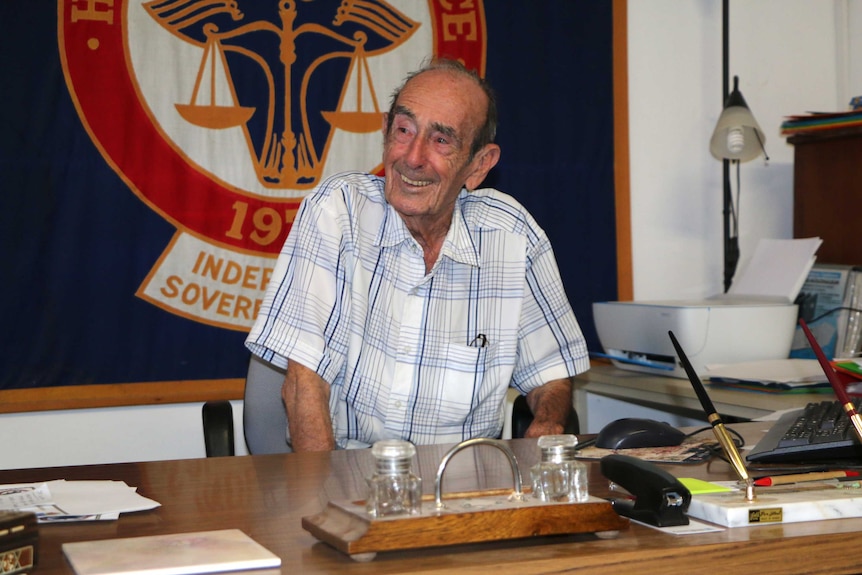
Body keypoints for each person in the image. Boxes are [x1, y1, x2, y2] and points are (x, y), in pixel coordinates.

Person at [246, 58, 589, 451]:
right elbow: (303, 384)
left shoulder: (511, 234)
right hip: (347, 475)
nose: (412, 157)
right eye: (404, 130)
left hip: (464, 484)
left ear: (479, 166)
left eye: (441, 140)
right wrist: (325, 504)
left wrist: (546, 423)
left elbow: (551, 371)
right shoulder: (337, 213)